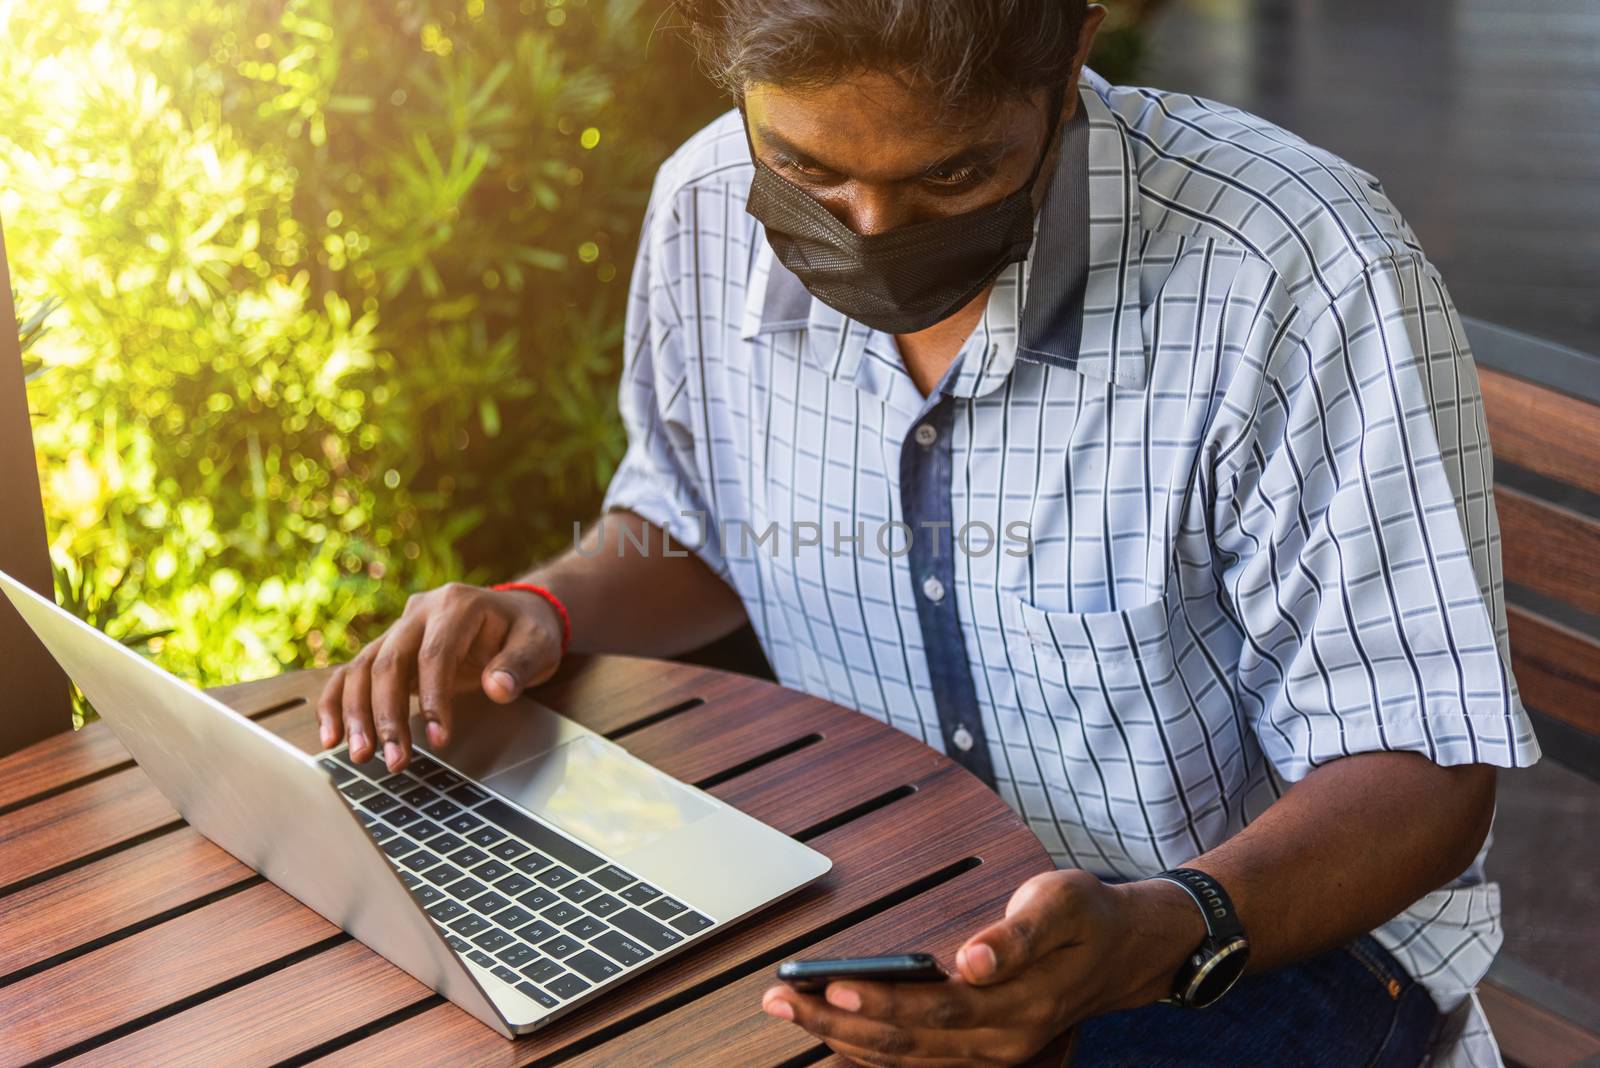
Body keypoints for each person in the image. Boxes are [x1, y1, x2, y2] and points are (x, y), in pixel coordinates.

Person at [317, 2, 1541, 1063]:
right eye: (805, 170)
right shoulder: (702, 206)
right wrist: (543, 612)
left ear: (1068, 63)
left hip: (1250, 946)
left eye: (951, 178)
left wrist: (1149, 936)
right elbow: (689, 528)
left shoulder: (1294, 270)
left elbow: (1421, 769)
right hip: (870, 910)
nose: (869, 229)